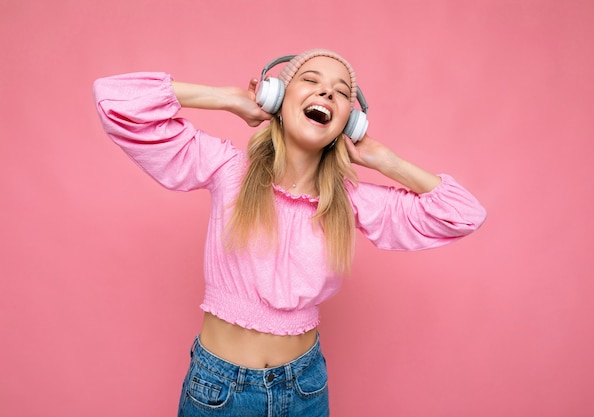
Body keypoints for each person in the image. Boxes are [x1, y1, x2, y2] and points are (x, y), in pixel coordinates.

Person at [93, 48, 486, 417]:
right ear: (277, 98)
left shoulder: (349, 201)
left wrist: (385, 160)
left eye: (341, 92)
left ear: (350, 122)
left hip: (306, 388)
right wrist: (229, 98)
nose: (326, 92)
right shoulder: (227, 169)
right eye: (311, 80)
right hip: (218, 389)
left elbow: (463, 214)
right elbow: (115, 99)